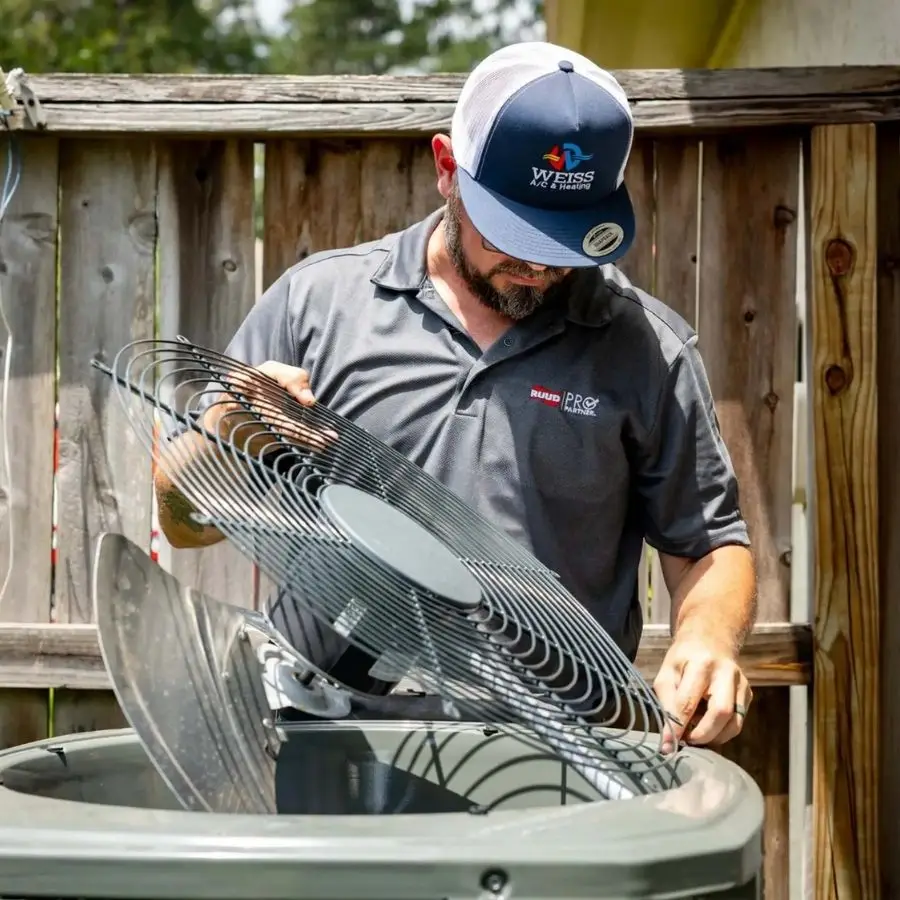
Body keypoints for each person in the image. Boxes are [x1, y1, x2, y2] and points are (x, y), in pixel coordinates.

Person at [154, 41, 757, 754]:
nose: (536, 267)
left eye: (563, 243)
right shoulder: (319, 305)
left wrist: (709, 637)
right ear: (447, 170)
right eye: (514, 233)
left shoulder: (647, 350)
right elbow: (185, 524)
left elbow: (710, 544)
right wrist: (226, 432)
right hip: (318, 737)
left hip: (546, 755)